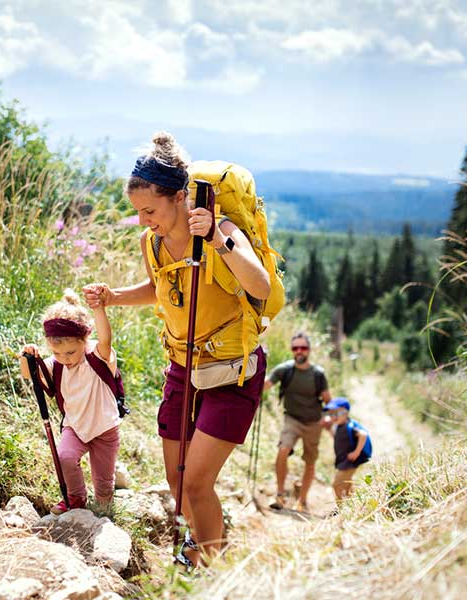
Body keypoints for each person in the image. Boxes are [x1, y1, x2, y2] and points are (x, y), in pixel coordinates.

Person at [83, 131, 270, 568]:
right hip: (182, 367)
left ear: (181, 197)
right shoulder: (152, 241)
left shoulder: (221, 230)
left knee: (197, 483)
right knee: (177, 480)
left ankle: (210, 567)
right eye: (138, 212)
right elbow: (159, 288)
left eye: (150, 210)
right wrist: (113, 297)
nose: (144, 220)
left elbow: (258, 284)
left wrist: (220, 243)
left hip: (231, 371)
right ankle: (203, 549)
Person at [20, 288, 121, 515]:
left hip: (104, 428)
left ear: (84, 340)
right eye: (57, 353)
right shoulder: (56, 365)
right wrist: (26, 356)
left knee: (103, 480)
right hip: (75, 425)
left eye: (71, 352)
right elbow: (29, 374)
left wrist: (99, 309)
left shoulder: (97, 356)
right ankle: (76, 498)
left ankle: (105, 507)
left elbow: (106, 338)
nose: (65, 359)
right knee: (65, 456)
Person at [263, 332, 332, 512]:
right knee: (282, 450)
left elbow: (328, 401)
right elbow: (266, 385)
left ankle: (302, 500)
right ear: (292, 350)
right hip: (292, 418)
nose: (299, 351)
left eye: (303, 348)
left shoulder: (318, 374)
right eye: (295, 348)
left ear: (309, 350)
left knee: (310, 462)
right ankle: (280, 495)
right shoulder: (284, 370)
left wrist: (329, 417)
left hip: (313, 423)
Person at [321, 397, 371, 505]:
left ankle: (341, 508)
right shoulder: (340, 427)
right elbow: (338, 439)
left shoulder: (350, 426)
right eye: (330, 414)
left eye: (336, 414)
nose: (332, 417)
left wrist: (356, 452)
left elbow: (363, 435)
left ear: (345, 413)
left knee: (336, 485)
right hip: (343, 460)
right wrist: (329, 429)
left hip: (350, 461)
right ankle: (354, 505)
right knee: (348, 485)